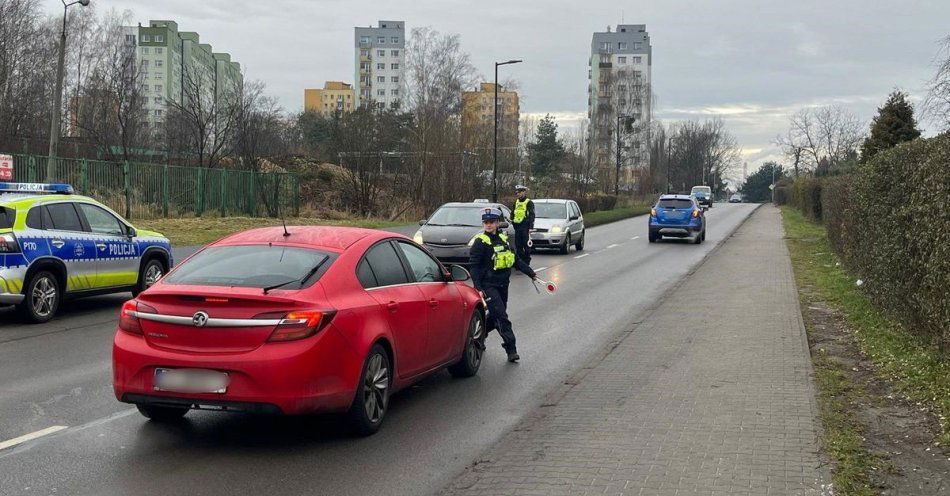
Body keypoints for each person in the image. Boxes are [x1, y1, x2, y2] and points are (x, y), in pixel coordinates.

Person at [469, 207, 537, 363]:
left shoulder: (504, 239)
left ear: (497, 223)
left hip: (503, 284)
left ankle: (480, 333)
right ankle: (511, 349)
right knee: (502, 316)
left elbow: (515, 260)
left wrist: (531, 273)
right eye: (486, 222)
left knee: (495, 315)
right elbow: (474, 266)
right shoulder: (480, 242)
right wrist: (478, 288)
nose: (488, 225)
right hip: (488, 285)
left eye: (491, 222)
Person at [511, 185, 535, 264]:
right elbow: (513, 213)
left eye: (519, 192)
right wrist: (511, 221)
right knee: (518, 246)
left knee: (526, 246)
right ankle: (520, 262)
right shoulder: (516, 202)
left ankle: (527, 261)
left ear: (524, 192)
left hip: (525, 226)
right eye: (516, 192)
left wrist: (531, 227)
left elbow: (532, 215)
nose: (517, 194)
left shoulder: (529, 202)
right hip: (517, 227)